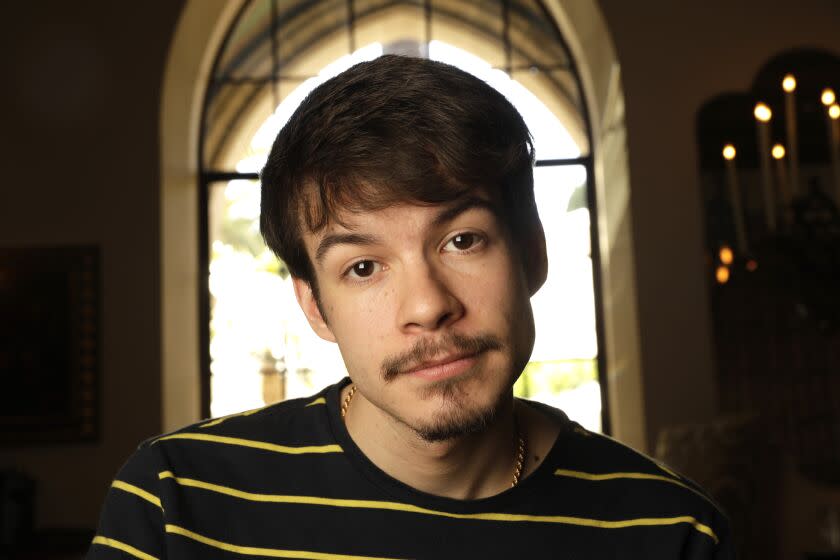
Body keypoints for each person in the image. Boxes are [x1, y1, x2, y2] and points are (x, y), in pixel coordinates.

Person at [88, 55, 733, 559]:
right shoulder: (173, 506)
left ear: (533, 255)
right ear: (315, 306)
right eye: (363, 268)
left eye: (462, 240)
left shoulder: (673, 531)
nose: (427, 306)